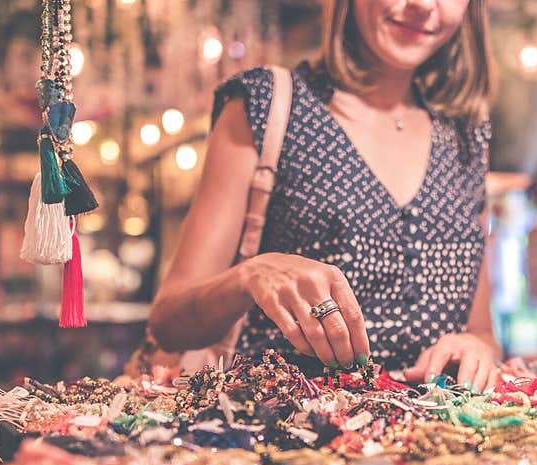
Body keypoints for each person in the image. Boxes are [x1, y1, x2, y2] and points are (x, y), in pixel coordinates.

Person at [149, 0, 501, 391]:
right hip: (283, 432)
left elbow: (483, 332)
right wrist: (251, 275)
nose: (421, 5)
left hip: (438, 442)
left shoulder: (466, 136)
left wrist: (475, 347)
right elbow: (169, 322)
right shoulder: (268, 103)